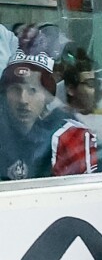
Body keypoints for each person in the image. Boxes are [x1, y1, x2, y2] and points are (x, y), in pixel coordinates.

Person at [0, 50, 97, 180]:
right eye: (15, 90)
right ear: (5, 95)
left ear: (47, 96)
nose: (23, 100)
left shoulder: (71, 137)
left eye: (33, 90)